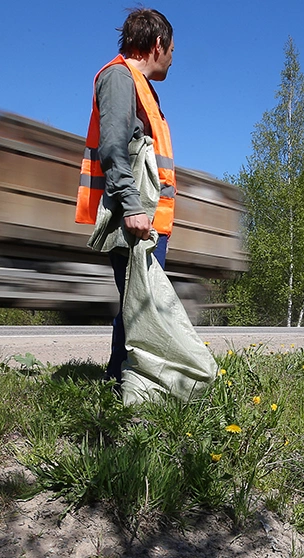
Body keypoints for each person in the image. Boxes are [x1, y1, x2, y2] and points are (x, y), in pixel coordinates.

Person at [75, 8, 176, 381]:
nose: (171, 58)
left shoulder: (139, 85)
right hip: (137, 216)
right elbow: (114, 148)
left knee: (139, 305)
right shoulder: (119, 78)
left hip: (151, 216)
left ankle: (121, 381)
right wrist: (132, 207)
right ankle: (126, 385)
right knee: (139, 305)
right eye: (171, 50)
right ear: (157, 44)